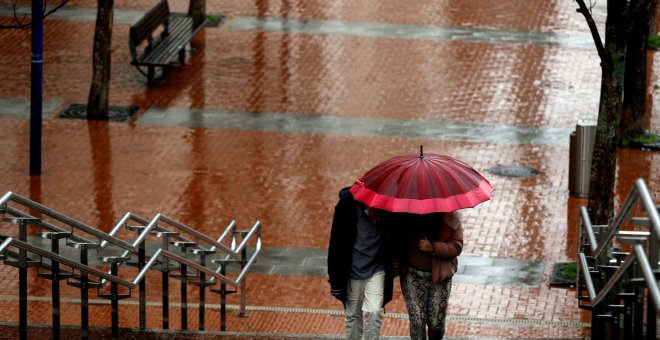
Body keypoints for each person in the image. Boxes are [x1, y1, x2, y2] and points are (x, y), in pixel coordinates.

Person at [327, 186, 396, 340]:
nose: (377, 215)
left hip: (376, 269)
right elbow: (336, 245)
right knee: (353, 314)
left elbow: (396, 241)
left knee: (374, 312)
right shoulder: (347, 208)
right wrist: (335, 281)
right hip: (351, 271)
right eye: (375, 211)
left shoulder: (388, 213)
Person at [395, 211, 463, 340]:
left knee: (436, 324)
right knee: (417, 321)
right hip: (411, 275)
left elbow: (457, 246)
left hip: (440, 277)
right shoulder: (404, 214)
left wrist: (434, 248)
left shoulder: (451, 218)